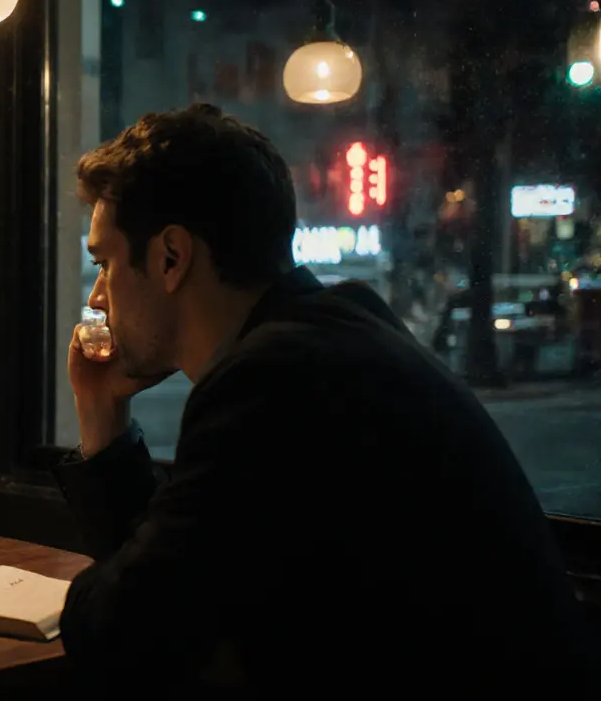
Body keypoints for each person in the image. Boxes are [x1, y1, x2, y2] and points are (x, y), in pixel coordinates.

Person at [56, 103, 600, 694]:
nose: (99, 298)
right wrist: (101, 410)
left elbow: (124, 629)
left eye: (105, 263)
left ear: (170, 257)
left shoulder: (272, 381)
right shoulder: (337, 333)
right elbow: (162, 596)